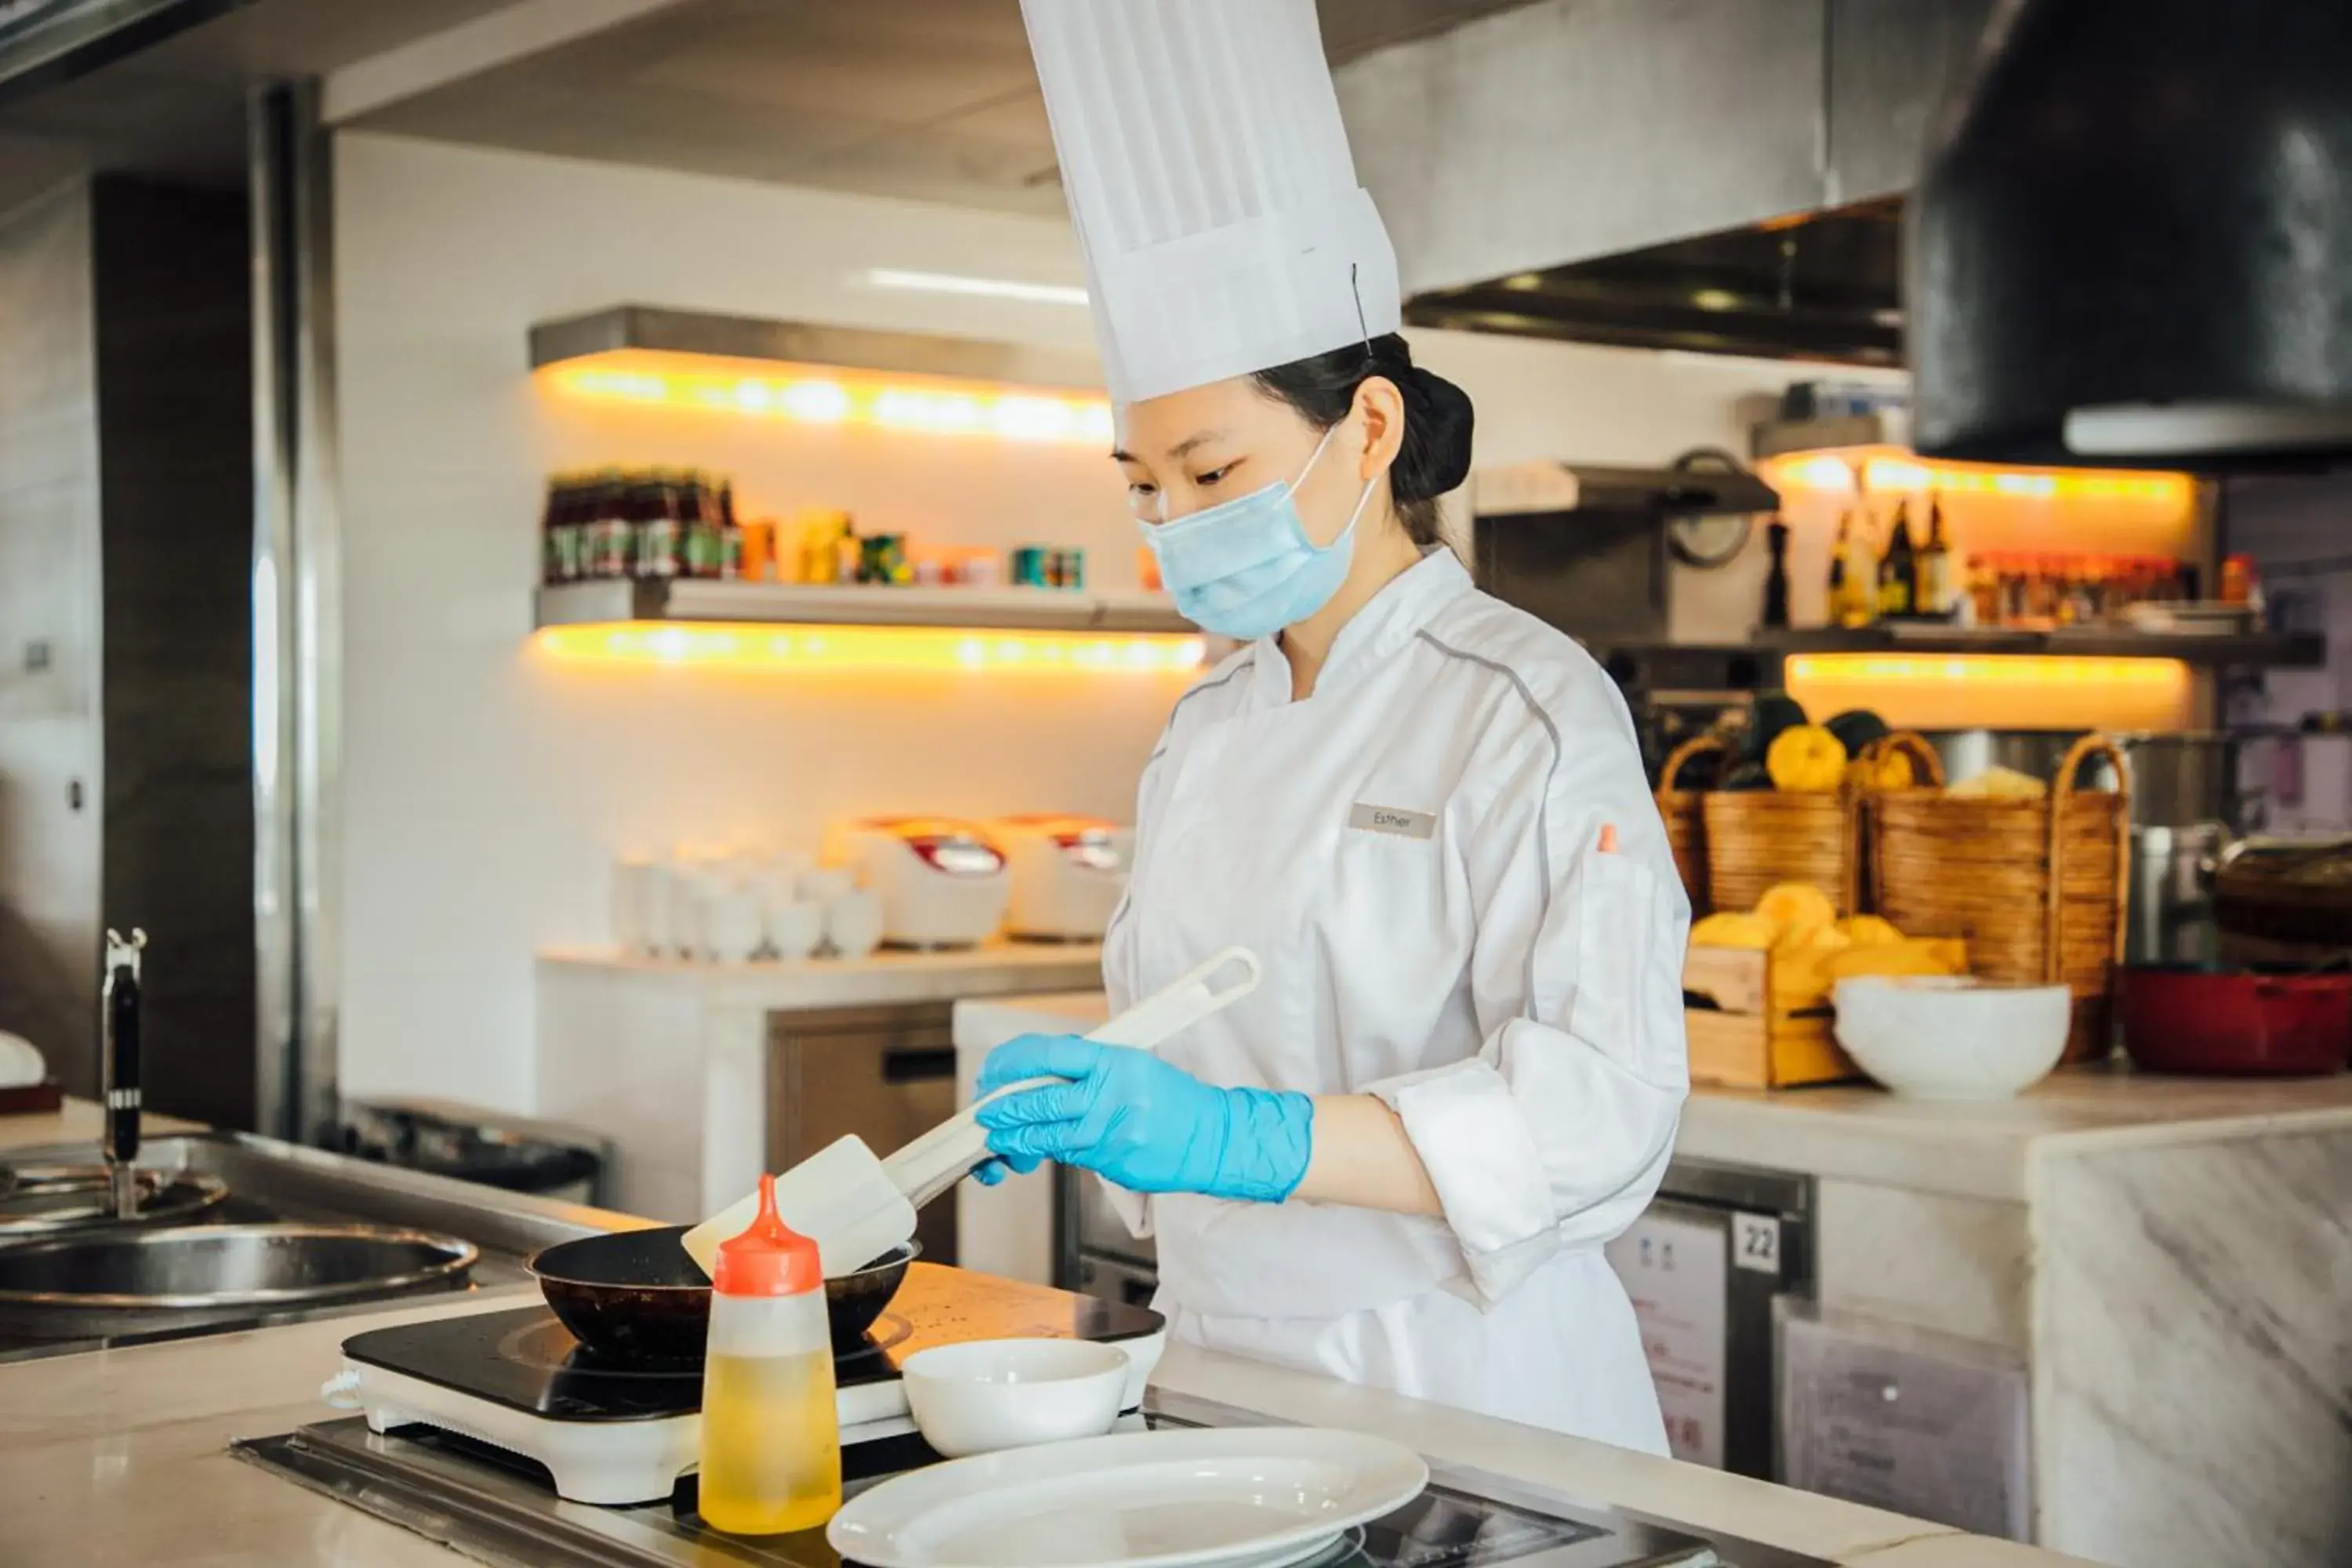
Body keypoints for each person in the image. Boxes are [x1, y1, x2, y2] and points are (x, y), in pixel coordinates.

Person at [980, 0, 1690, 1451]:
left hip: (1460, 1376)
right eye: (1143, 484)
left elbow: (1604, 1110)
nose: (1174, 519)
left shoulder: (1525, 707)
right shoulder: (1206, 726)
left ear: (1368, 429)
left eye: (1212, 471)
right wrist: (1103, 1101)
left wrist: (1245, 1140)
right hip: (1217, 1367)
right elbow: (1202, 1018)